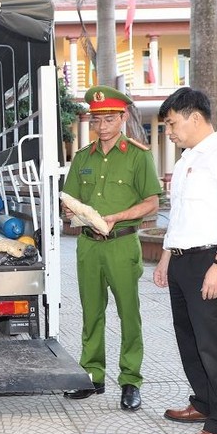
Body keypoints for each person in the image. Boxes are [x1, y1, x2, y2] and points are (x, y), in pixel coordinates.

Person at [153, 87, 217, 434]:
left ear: (195, 117)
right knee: (190, 340)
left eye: (172, 124)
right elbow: (179, 215)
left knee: (214, 344)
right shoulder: (185, 161)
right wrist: (166, 256)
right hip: (181, 260)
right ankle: (204, 403)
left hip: (210, 260)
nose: (170, 132)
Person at [61, 85, 162, 411]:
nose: (102, 126)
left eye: (108, 119)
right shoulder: (82, 157)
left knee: (128, 314)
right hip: (89, 246)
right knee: (91, 314)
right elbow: (70, 200)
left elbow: (151, 203)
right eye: (96, 119)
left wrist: (116, 216)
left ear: (122, 117)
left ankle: (131, 380)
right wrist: (70, 212)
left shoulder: (138, 155)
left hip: (121, 244)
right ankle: (93, 374)